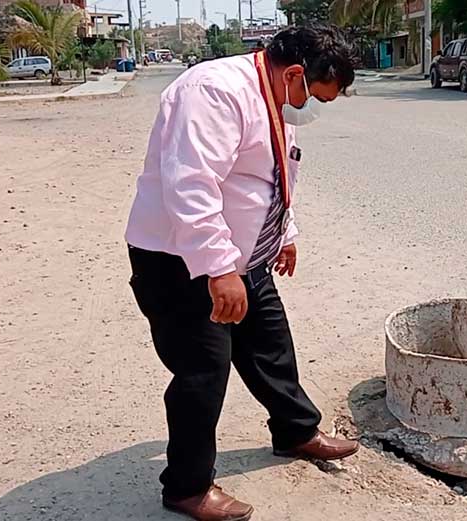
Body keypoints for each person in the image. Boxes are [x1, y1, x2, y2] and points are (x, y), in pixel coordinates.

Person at [125, 25, 360, 521]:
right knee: (202, 370)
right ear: (295, 73)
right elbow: (191, 185)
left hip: (243, 253)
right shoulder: (213, 91)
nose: (314, 109)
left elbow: (274, 172)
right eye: (316, 97)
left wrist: (284, 234)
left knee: (269, 342)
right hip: (181, 260)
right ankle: (187, 488)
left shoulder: (274, 95)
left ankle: (296, 431)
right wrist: (217, 269)